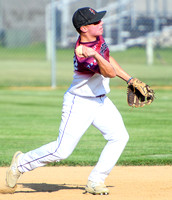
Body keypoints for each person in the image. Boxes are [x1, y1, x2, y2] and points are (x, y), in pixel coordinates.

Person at [6, 7, 134, 195]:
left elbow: (108, 58)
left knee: (119, 137)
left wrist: (130, 79)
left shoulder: (96, 39)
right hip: (80, 103)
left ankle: (95, 180)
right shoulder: (82, 54)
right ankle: (21, 163)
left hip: (100, 101)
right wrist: (96, 56)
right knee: (61, 151)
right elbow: (109, 72)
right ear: (84, 28)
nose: (101, 23)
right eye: (96, 22)